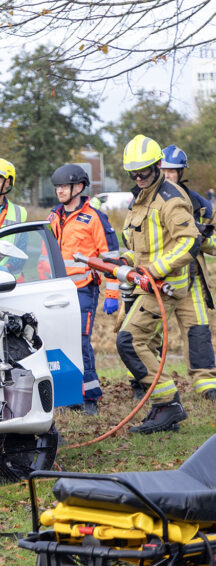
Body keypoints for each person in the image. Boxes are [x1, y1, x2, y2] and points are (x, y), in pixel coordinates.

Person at [115, 135, 213, 434]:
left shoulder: (170, 199)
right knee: (134, 340)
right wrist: (124, 260)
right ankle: (165, 404)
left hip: (166, 286)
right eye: (132, 173)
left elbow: (190, 242)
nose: (138, 177)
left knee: (130, 341)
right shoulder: (141, 197)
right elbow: (145, 245)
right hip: (149, 284)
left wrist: (155, 270)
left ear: (157, 166)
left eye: (143, 171)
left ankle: (169, 404)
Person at [48, 164, 120, 416]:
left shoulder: (95, 218)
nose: (59, 191)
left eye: (64, 186)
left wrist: (112, 294)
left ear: (78, 187)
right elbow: (45, 257)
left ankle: (90, 397)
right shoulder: (52, 217)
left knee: (80, 342)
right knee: (59, 342)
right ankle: (69, 395)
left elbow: (111, 259)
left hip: (83, 290)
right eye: (57, 187)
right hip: (56, 292)